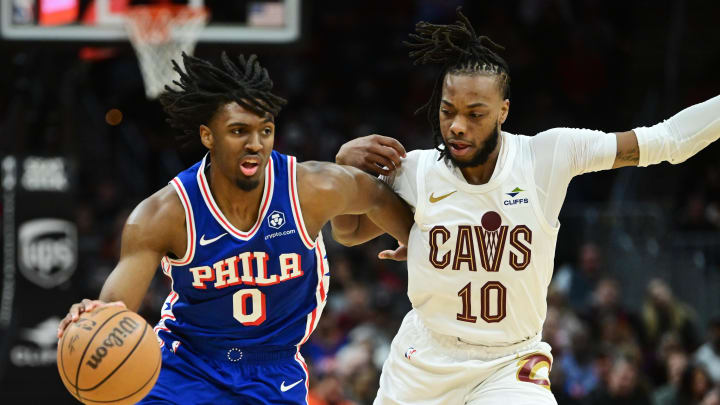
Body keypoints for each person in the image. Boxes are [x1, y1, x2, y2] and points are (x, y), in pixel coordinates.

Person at [332, 9, 720, 404]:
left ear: (503, 111)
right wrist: (343, 165)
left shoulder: (546, 155)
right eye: (447, 111)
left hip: (509, 361)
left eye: (475, 113)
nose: (457, 126)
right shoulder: (415, 169)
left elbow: (668, 140)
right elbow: (347, 232)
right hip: (425, 358)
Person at [56, 52, 413, 404]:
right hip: (186, 367)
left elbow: (377, 201)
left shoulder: (311, 188)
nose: (255, 144)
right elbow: (115, 311)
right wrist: (95, 318)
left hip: (273, 370)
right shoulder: (163, 214)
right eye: (239, 131)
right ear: (208, 136)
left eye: (265, 130)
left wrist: (410, 238)